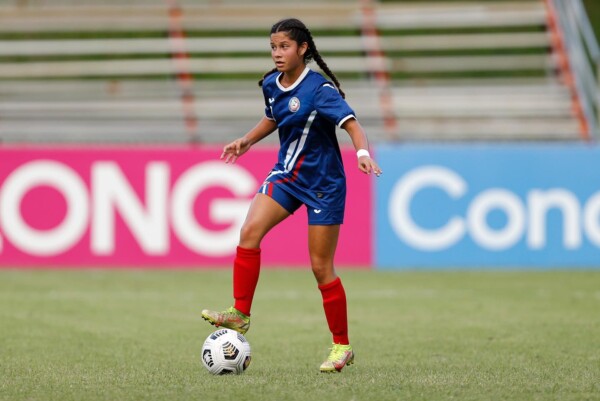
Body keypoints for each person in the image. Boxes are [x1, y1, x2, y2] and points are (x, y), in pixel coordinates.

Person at [201, 17, 382, 373]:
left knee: (320, 267)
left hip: (324, 185)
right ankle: (240, 314)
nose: (277, 53)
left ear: (303, 48)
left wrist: (362, 153)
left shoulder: (319, 89)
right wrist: (247, 141)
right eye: (273, 47)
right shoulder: (271, 83)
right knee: (249, 232)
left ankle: (342, 346)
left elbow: (351, 124)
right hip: (287, 175)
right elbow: (274, 117)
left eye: (284, 46)